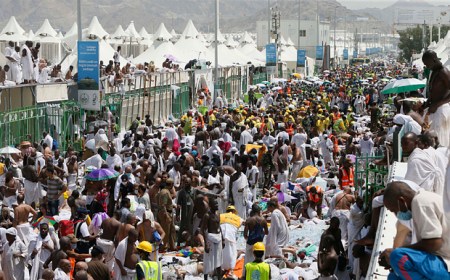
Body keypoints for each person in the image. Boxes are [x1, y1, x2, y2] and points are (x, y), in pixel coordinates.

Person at [381, 181, 450, 279]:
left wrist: (396, 251)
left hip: (445, 262)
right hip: (437, 262)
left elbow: (434, 243)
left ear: (401, 201)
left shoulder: (421, 202)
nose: (396, 215)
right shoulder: (420, 202)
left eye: (394, 210)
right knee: (393, 277)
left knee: (398, 256)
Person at [422, 50, 450, 148]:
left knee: (442, 142)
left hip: (441, 109)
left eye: (427, 64)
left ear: (434, 60)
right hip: (434, 109)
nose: (426, 66)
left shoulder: (444, 72)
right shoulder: (434, 71)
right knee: (430, 139)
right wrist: (428, 102)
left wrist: (437, 104)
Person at [201, 199, 223, 280]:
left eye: (217, 204)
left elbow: (219, 226)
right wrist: (206, 243)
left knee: (219, 260)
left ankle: (219, 278)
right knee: (208, 260)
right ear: (210, 206)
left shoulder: (218, 214)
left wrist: (223, 239)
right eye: (215, 204)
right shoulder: (207, 216)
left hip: (218, 238)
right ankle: (205, 278)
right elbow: (203, 229)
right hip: (210, 239)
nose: (217, 205)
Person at [220, 205, 242, 276]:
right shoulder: (238, 218)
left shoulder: (221, 216)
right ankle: (230, 270)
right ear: (234, 211)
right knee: (232, 253)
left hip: (221, 237)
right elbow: (245, 222)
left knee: (222, 253)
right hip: (231, 237)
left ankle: (221, 269)